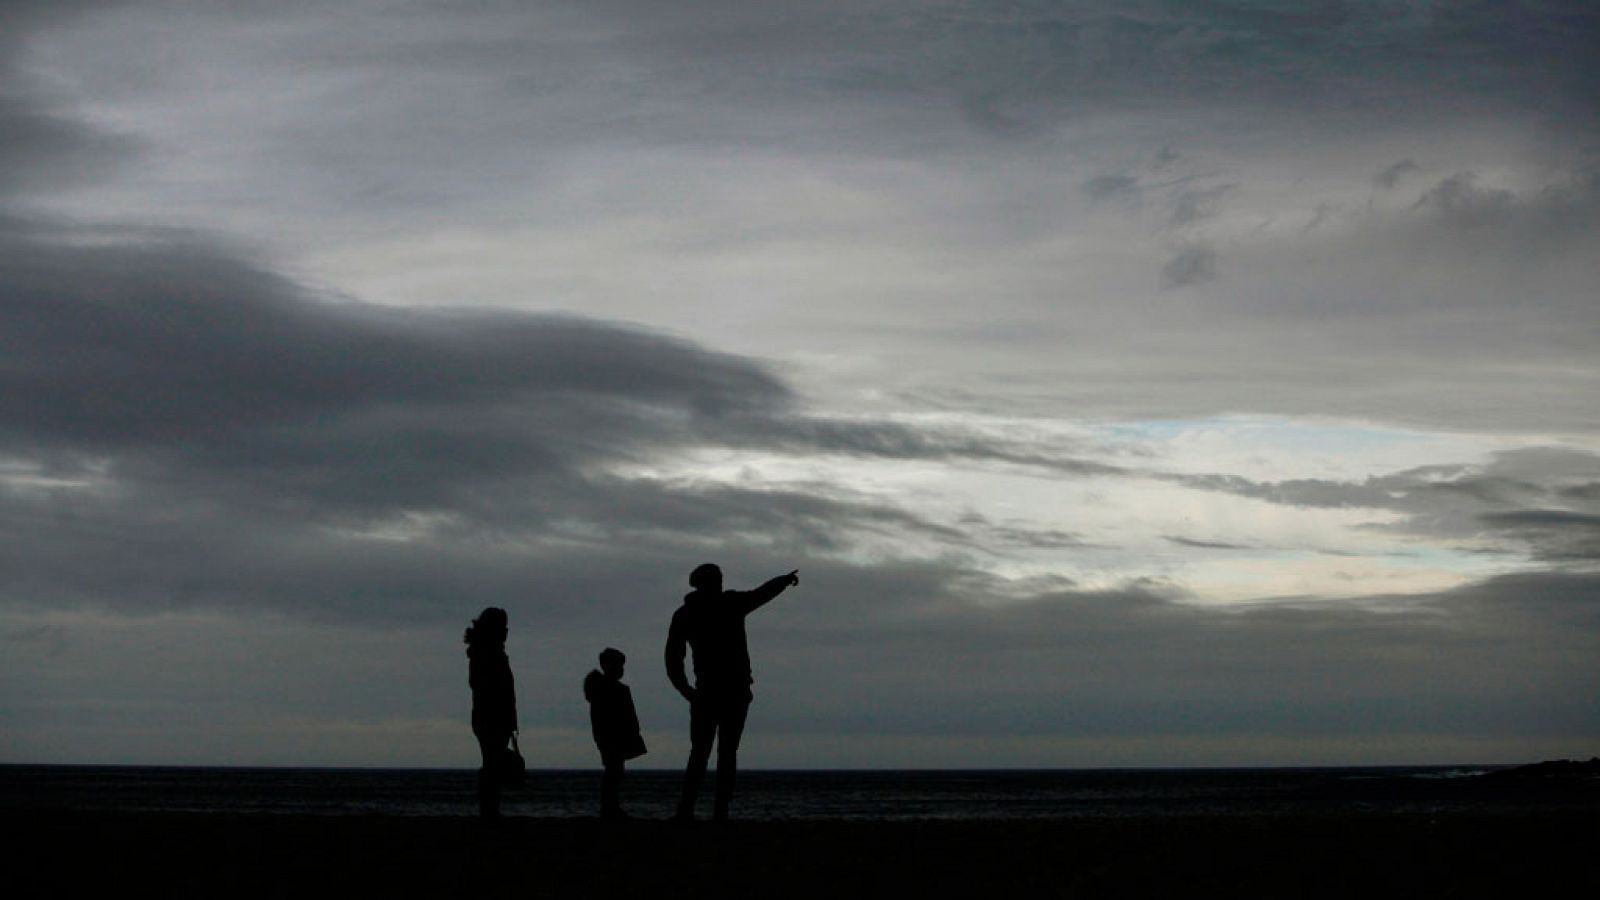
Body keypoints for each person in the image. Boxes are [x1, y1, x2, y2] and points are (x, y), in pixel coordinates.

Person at [665, 563, 800, 822]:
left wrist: (782, 581)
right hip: (718, 691)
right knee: (715, 752)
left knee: (713, 752)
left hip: (722, 692)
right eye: (716, 579)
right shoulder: (717, 608)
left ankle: (703, 809)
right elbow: (673, 657)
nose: (719, 583)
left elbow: (761, 594)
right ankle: (703, 809)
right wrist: (686, 690)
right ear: (706, 582)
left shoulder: (696, 611)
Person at [464, 607, 518, 820]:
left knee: (492, 763)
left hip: (490, 716)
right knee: (492, 764)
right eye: (503, 627)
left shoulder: (486, 653)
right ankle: (489, 810)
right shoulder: (488, 655)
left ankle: (490, 808)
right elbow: (490, 688)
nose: (506, 632)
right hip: (491, 717)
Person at [583, 647, 647, 819]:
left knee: (615, 771)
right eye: (619, 666)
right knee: (614, 771)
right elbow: (604, 717)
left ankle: (610, 806)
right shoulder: (608, 690)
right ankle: (610, 807)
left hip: (613, 737)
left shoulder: (609, 689)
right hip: (611, 737)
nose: (621, 670)